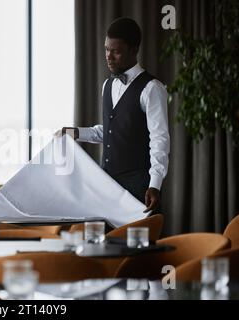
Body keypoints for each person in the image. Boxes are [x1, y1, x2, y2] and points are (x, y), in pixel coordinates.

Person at [59, 17, 170, 213]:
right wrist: (75, 132)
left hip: (139, 186)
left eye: (116, 51)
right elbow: (111, 131)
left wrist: (155, 184)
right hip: (108, 185)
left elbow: (160, 139)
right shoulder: (107, 85)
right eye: (106, 49)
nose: (108, 56)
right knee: (106, 241)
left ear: (134, 50)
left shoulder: (152, 88)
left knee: (136, 242)